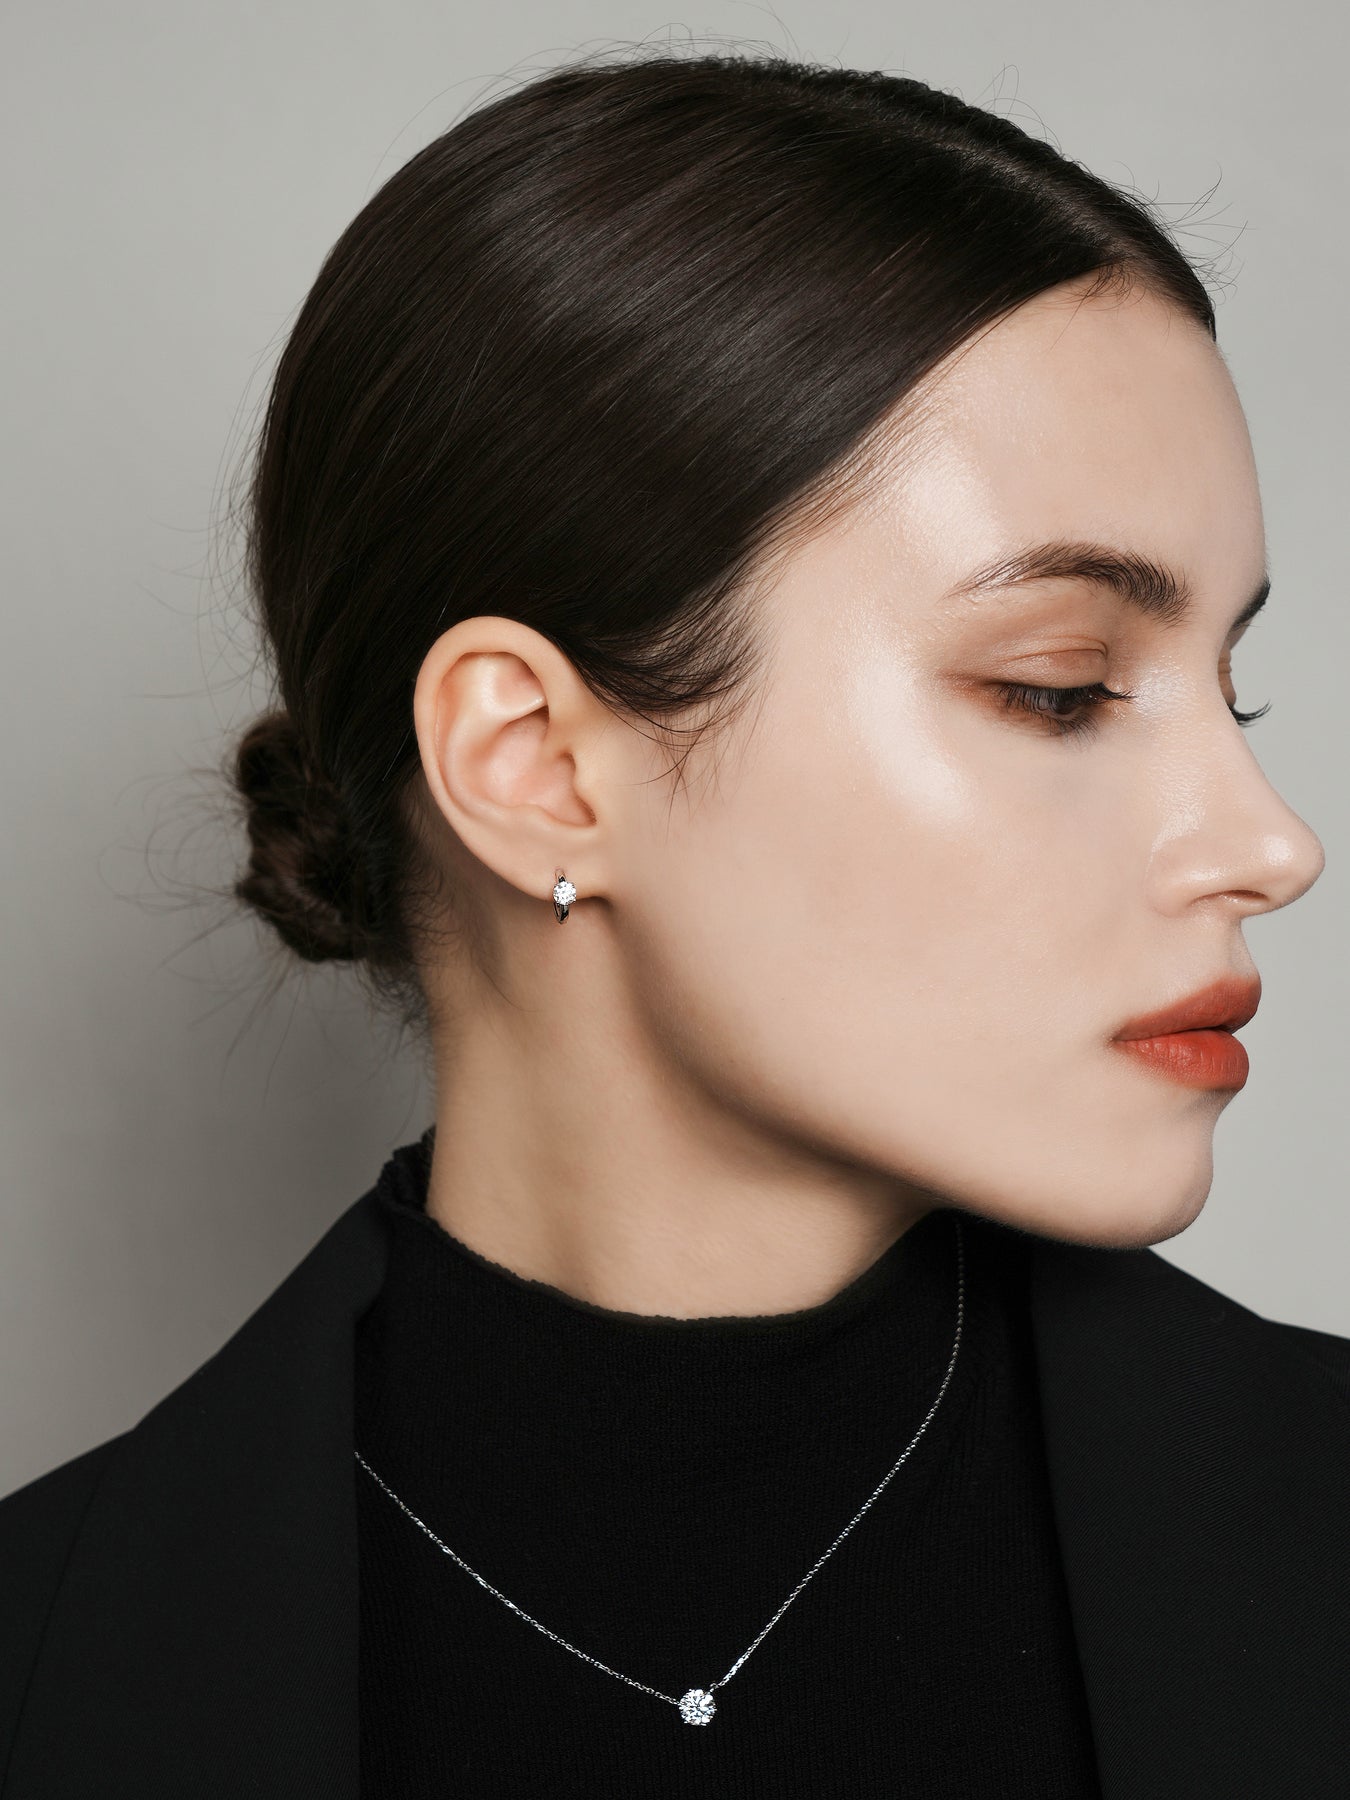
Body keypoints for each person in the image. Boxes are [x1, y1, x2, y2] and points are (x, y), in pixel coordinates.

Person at [2, 43, 1347, 1800]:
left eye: (1229, 689)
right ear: (537, 765)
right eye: (1060, 684)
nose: (1269, 844)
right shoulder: (50, 1668)